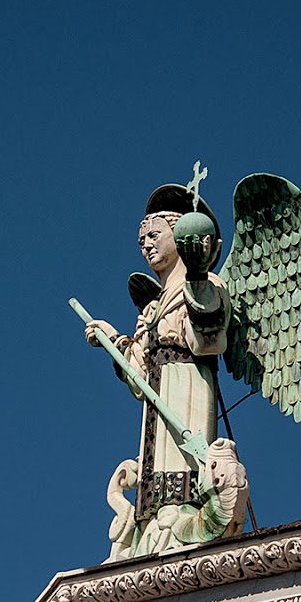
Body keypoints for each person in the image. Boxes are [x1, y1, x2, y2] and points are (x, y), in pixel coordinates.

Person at [84, 185, 231, 524]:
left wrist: (197, 276)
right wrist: (113, 339)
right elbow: (140, 378)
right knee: (157, 488)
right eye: (141, 241)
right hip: (158, 394)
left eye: (154, 235)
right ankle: (156, 519)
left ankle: (183, 515)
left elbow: (206, 343)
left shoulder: (209, 284)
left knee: (182, 483)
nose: (147, 245)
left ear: (180, 236)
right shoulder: (151, 309)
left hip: (188, 382)